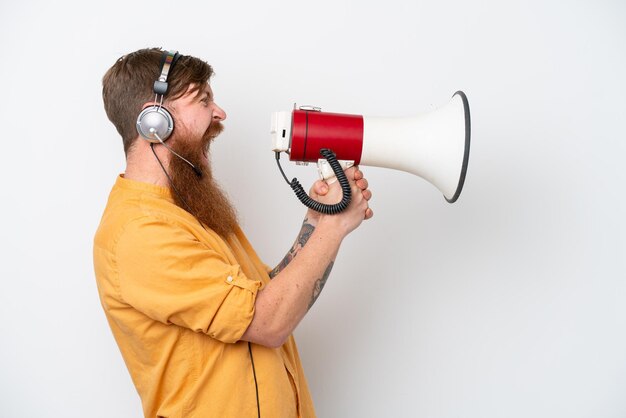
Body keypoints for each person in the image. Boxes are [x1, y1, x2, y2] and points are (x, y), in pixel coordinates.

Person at [94, 47, 373, 418]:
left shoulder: (190, 210)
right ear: (154, 121)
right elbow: (267, 322)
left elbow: (267, 295)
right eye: (203, 98)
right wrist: (336, 227)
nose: (219, 112)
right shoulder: (141, 232)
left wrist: (317, 222)